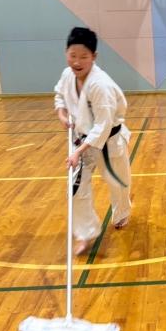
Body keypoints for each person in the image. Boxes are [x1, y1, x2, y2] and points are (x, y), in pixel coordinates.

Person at [53, 26, 132, 255]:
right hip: (81, 140)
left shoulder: (100, 85)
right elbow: (60, 95)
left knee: (118, 183)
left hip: (108, 141)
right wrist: (61, 114)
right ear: (66, 53)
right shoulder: (68, 75)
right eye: (72, 55)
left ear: (94, 56)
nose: (77, 62)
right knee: (75, 188)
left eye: (83, 57)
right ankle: (85, 233)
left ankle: (122, 211)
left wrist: (78, 151)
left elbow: (103, 125)